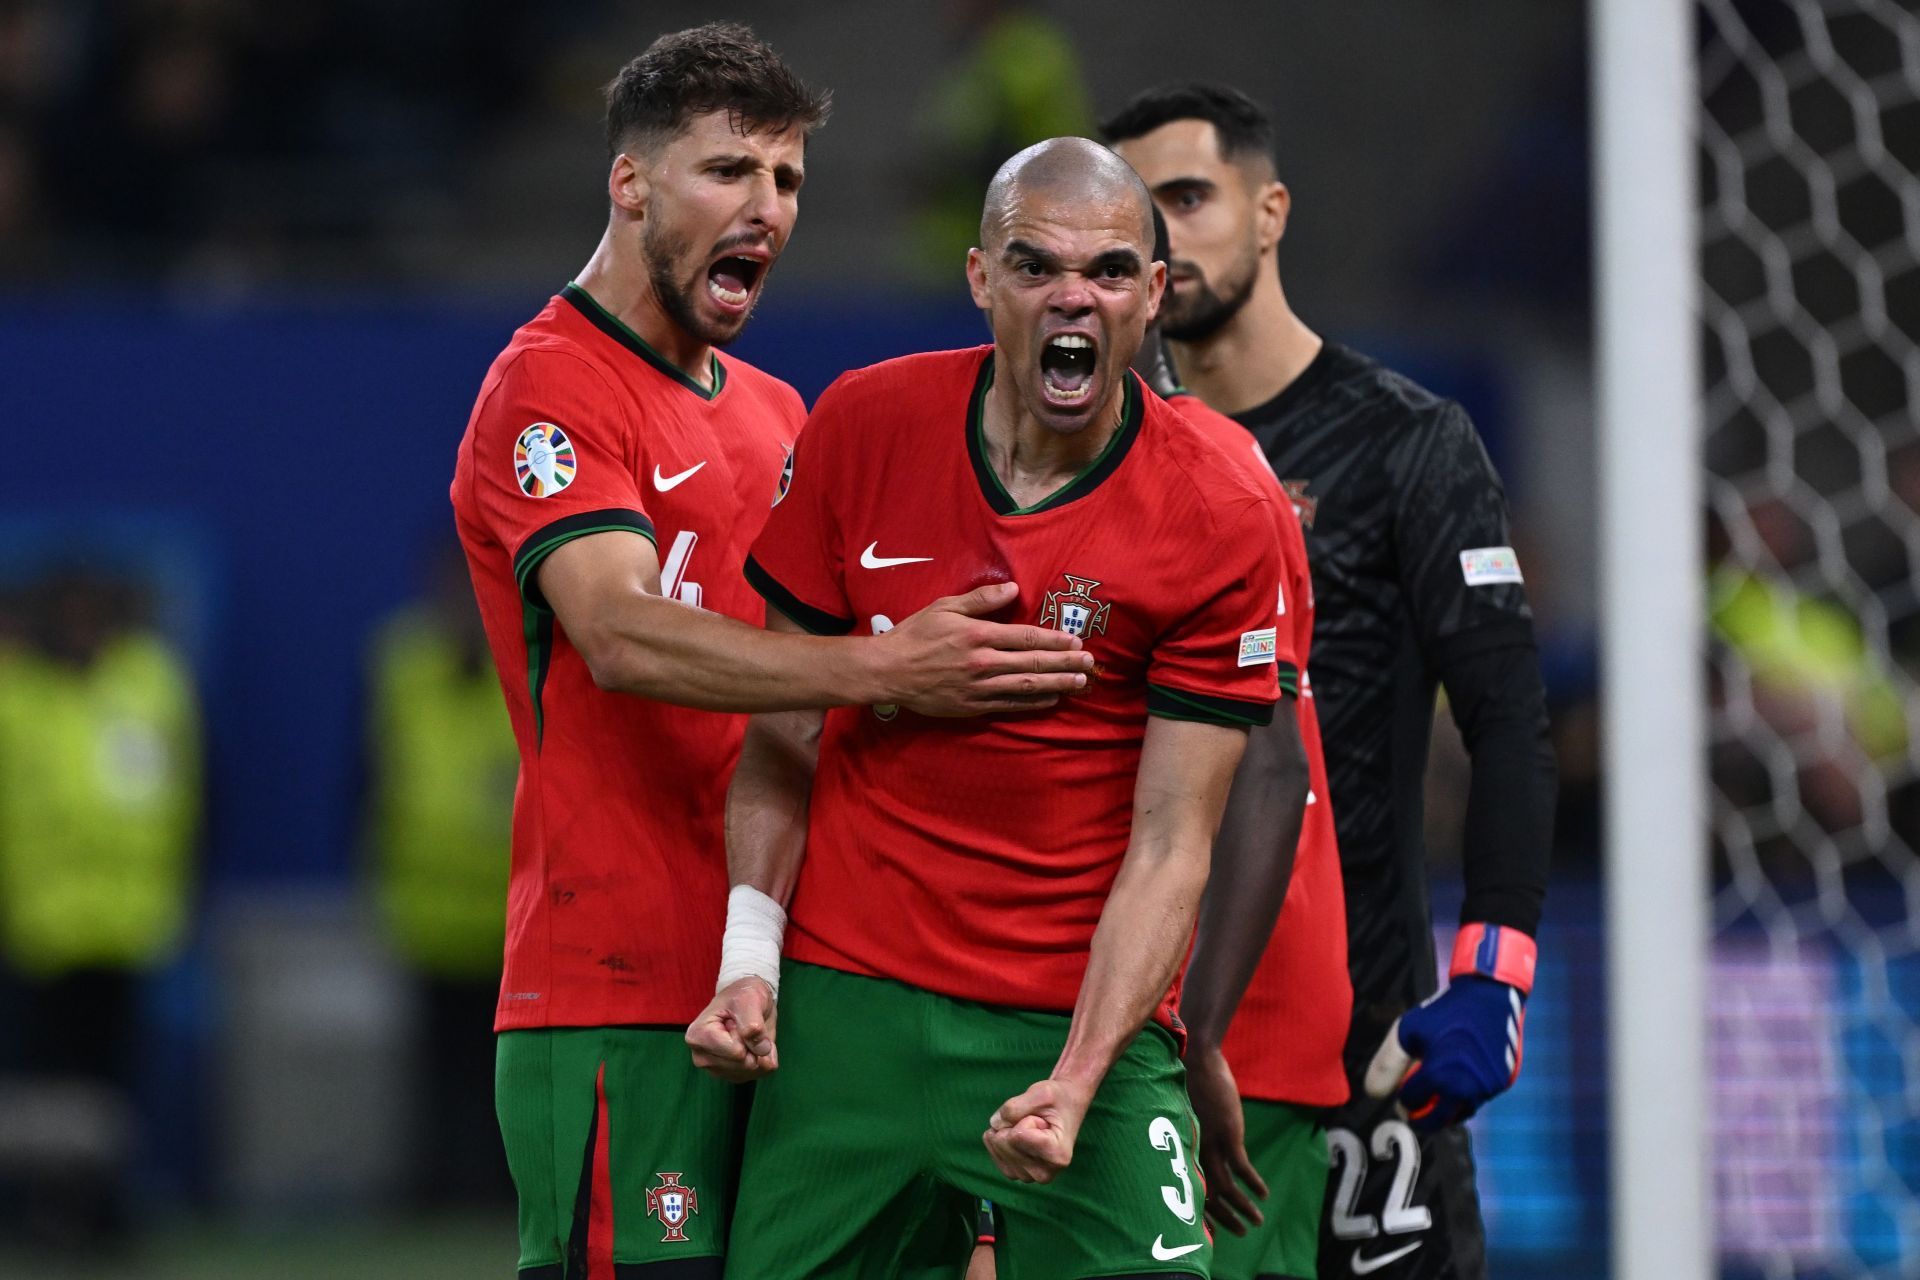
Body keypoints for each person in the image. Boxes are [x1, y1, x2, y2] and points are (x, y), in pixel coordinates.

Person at [450, 26, 1092, 1278]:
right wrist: (885, 666)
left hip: (802, 985)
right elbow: (621, 631)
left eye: (787, 181)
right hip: (620, 983)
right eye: (729, 171)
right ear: (631, 183)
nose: (767, 209)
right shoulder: (548, 389)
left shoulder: (776, 411)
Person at [686, 136, 1291, 1279]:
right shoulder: (864, 426)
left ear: (1154, 296)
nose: (1075, 294)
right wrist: (748, 956)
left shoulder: (1219, 498)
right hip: (847, 1018)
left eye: (1112, 270)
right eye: (1035, 264)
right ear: (980, 278)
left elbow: (1174, 843)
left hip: (1069, 1023)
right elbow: (782, 731)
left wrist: (1078, 1074)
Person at [1105, 84, 1556, 1280]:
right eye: (1136, 212)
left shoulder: (1405, 442)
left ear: (1270, 212)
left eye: (1189, 198)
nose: (1164, 235)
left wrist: (1493, 972)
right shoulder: (1104, 452)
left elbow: (1509, 718)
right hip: (1134, 1034)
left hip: (1367, 1034)